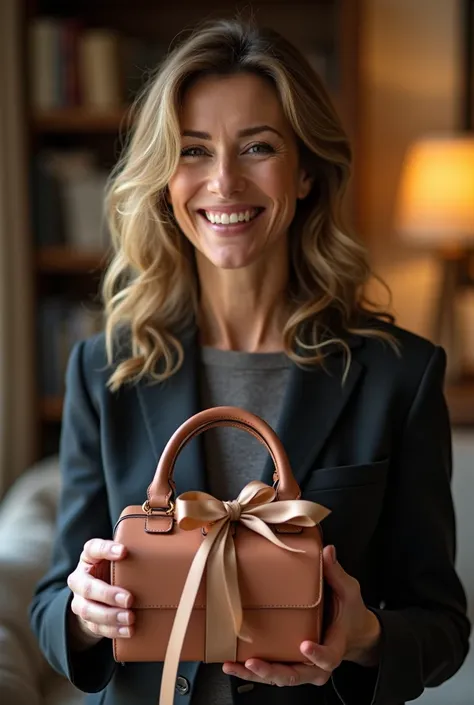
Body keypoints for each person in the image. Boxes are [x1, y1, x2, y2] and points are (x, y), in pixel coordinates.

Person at [29, 17, 470, 705]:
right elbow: (52, 601)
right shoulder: (104, 368)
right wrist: (84, 614)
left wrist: (364, 637)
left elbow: (442, 628)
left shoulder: (397, 375)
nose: (225, 181)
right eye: (194, 150)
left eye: (257, 146)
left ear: (303, 175)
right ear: (165, 180)